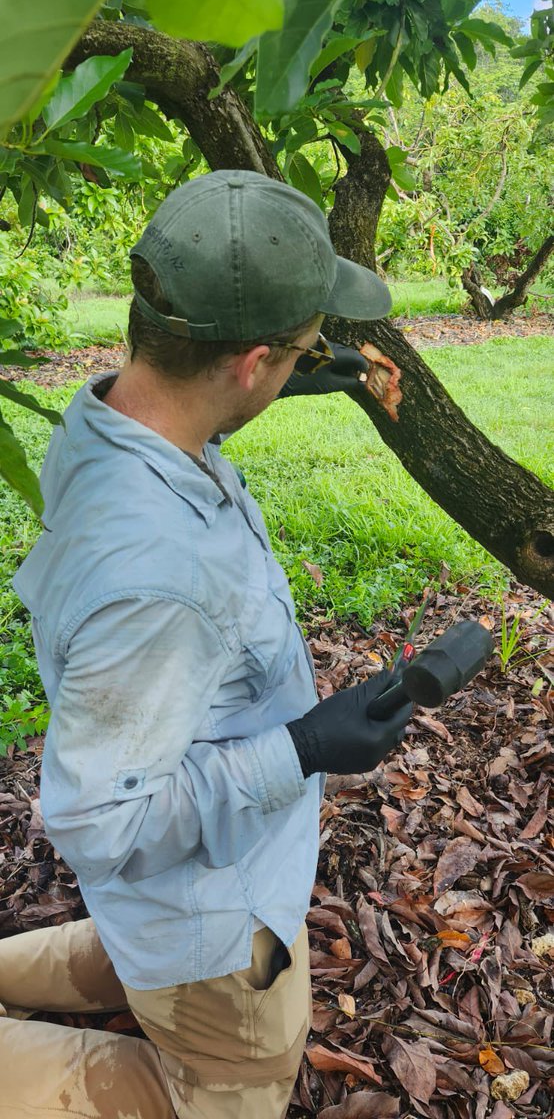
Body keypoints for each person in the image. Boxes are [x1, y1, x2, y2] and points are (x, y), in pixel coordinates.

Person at [0, 170, 411, 1119]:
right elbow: (101, 824)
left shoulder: (107, 415)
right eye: (302, 349)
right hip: (211, 932)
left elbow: (200, 393)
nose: (312, 358)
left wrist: (309, 372)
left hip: (187, 900)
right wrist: (307, 749)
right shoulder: (159, 579)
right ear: (247, 361)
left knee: (131, 944)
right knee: (237, 1089)